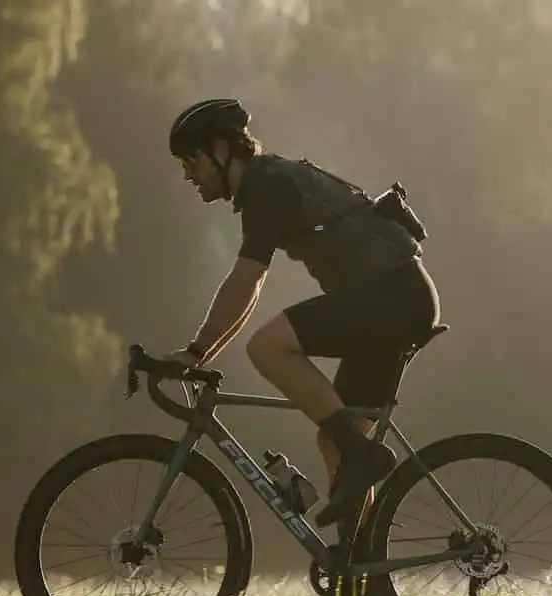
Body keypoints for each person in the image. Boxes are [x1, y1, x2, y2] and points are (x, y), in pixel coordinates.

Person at [160, 98, 440, 540]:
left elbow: (246, 280)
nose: (188, 174)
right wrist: (201, 355)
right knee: (334, 441)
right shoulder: (268, 182)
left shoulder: (268, 185)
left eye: (190, 160)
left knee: (267, 347)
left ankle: (363, 457)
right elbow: (250, 290)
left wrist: (196, 352)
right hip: (396, 297)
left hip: (391, 296)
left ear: (219, 148)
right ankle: (365, 575)